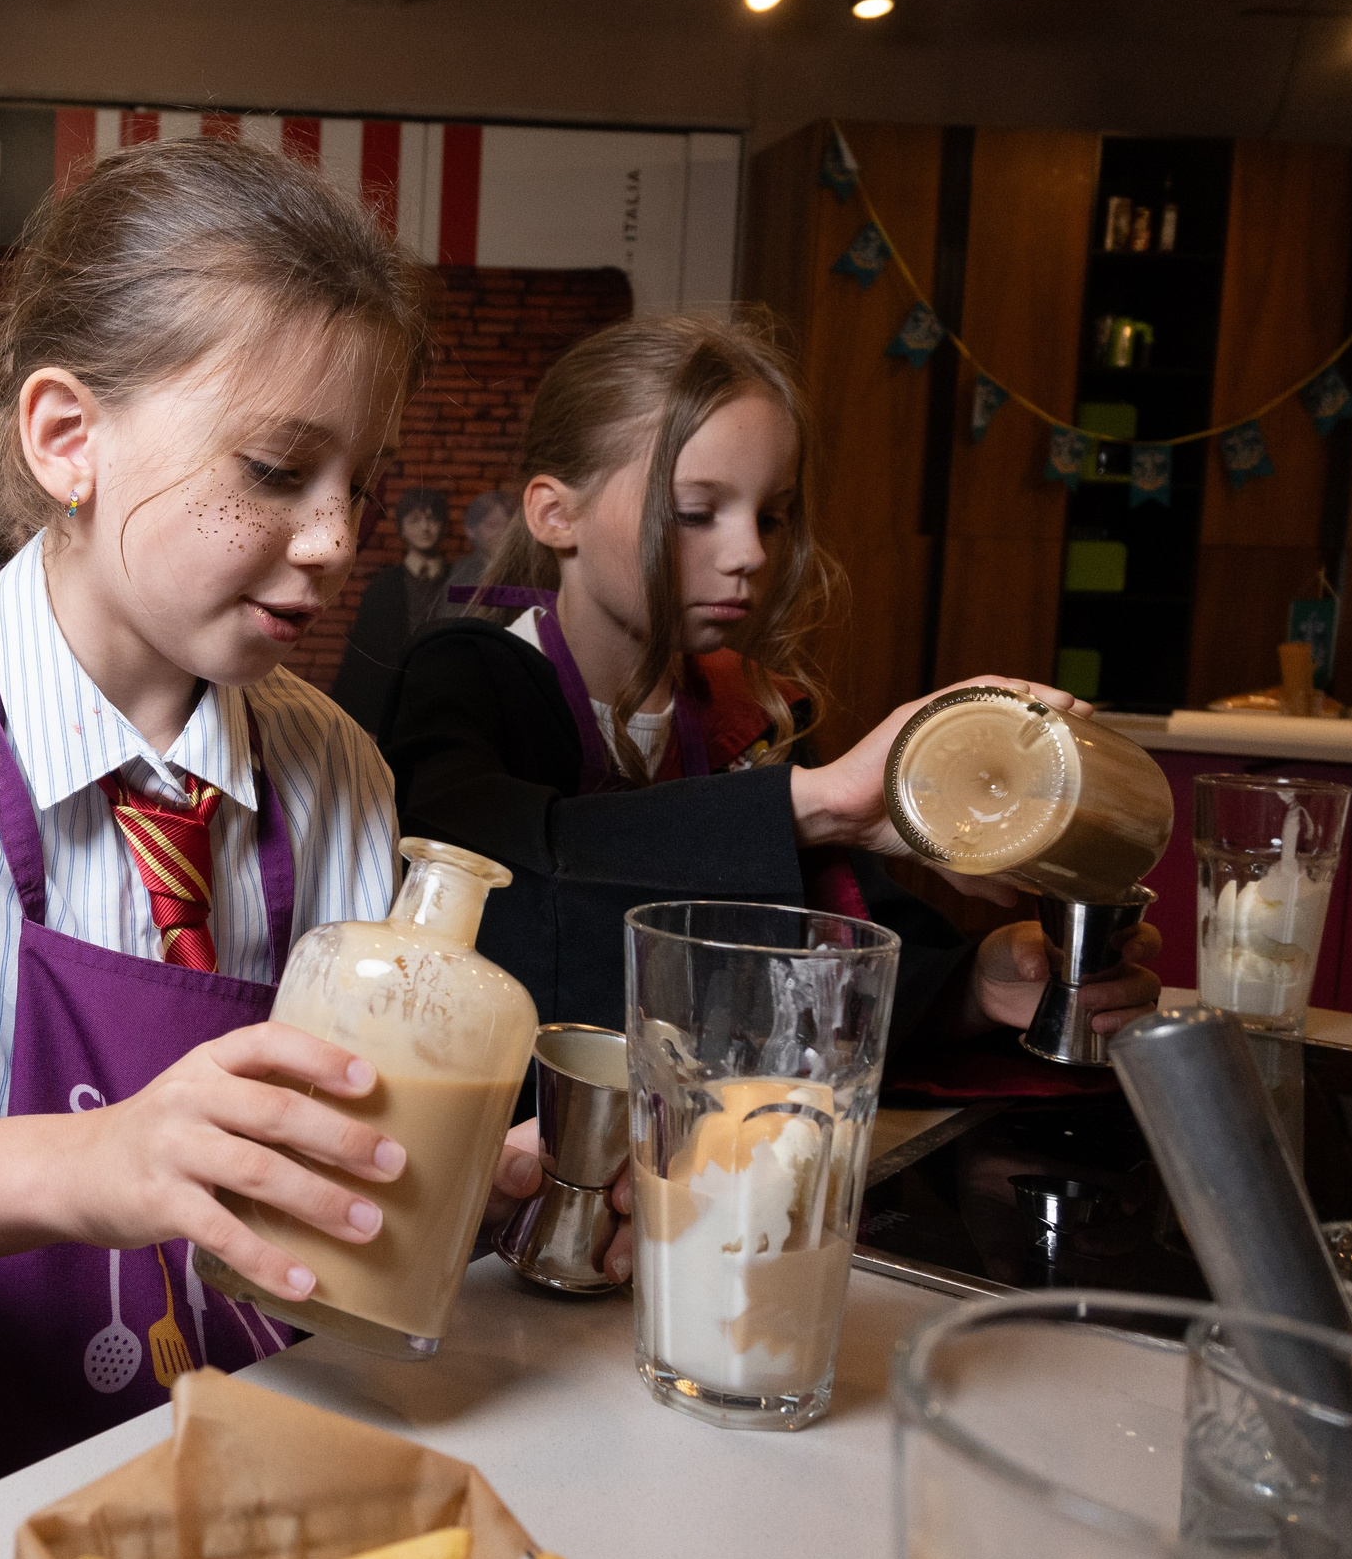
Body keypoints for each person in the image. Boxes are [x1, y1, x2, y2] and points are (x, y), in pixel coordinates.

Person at [0, 140, 612, 1559]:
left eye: (358, 484)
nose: (331, 539)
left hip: (242, 1419)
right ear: (67, 435)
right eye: (274, 470)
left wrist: (470, 1197)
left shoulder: (332, 772)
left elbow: (323, 1200)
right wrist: (94, 1161)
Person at [380, 312, 1160, 1045]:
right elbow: (517, 885)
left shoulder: (754, 710)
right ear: (556, 515)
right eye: (695, 512)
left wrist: (976, 983)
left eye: (774, 514)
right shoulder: (464, 678)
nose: (749, 552)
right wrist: (819, 803)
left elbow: (826, 963)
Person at [329, 484, 449, 728]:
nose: (425, 528)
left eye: (432, 519)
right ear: (402, 528)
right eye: (415, 520)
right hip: (391, 705)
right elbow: (363, 657)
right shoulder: (383, 586)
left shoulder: (457, 579)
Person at [442, 487, 512, 603]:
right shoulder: (463, 572)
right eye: (492, 525)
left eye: (509, 526)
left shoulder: (526, 569)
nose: (503, 533)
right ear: (471, 530)